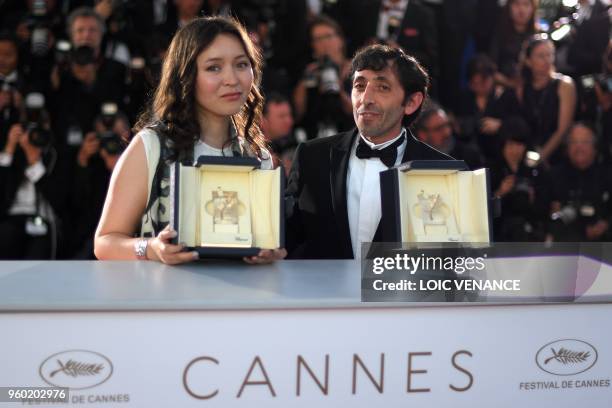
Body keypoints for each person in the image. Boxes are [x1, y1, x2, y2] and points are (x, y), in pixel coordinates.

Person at [94, 16, 286, 264]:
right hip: (167, 300)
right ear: (186, 75)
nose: (232, 79)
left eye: (241, 64)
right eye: (213, 67)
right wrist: (152, 248)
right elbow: (105, 242)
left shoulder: (257, 157)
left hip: (238, 301)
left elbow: (264, 243)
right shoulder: (151, 146)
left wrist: (270, 252)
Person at [286, 44, 451, 259]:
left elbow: (450, 260)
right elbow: (286, 238)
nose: (365, 99)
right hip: (323, 291)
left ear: (411, 102)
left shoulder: (443, 173)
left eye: (382, 87)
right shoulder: (312, 157)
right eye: (360, 85)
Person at [496, 34, 577, 164]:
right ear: (528, 61)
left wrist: (540, 157)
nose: (547, 60)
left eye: (550, 54)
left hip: (555, 154)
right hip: (527, 151)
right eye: (541, 56)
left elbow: (562, 130)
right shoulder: (521, 87)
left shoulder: (564, 85)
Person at [548, 123, 612, 242]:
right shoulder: (554, 176)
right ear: (567, 148)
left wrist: (606, 225)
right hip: (565, 243)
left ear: (595, 147)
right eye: (574, 142)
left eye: (585, 142)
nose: (579, 147)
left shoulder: (607, 176)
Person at [415, 102, 484, 170]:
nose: (447, 132)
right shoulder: (415, 161)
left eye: (447, 125)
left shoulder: (469, 156)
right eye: (439, 128)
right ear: (422, 134)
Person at [489, 0, 539, 88]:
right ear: (509, 7)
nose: (521, 9)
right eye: (516, 4)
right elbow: (491, 68)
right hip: (504, 86)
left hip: (533, 87)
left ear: (533, 8)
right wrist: (510, 84)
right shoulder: (499, 33)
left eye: (526, 4)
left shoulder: (539, 36)